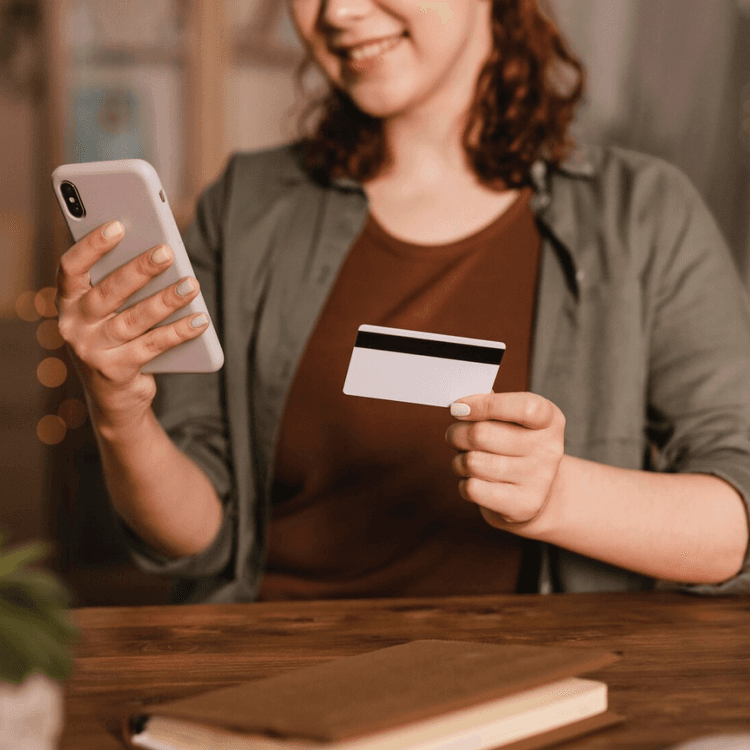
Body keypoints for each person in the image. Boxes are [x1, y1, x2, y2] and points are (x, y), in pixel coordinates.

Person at [54, 0, 750, 604]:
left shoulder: (644, 216)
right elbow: (200, 537)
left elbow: (736, 517)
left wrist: (559, 497)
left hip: (530, 686)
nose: (337, 14)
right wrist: (120, 414)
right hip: (272, 672)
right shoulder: (246, 205)